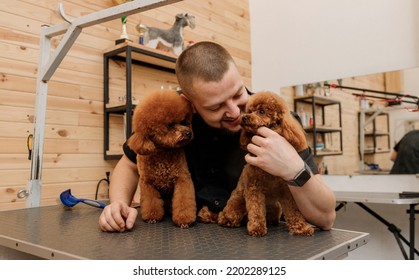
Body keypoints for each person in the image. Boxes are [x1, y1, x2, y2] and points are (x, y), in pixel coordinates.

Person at [98, 41, 336, 232]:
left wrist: (294, 169)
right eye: (215, 107)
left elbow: (326, 218)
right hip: (183, 239)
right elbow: (129, 165)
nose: (234, 112)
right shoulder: (175, 118)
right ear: (189, 102)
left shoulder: (280, 121)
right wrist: (118, 203)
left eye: (238, 93)